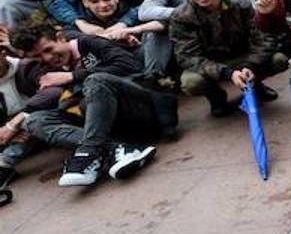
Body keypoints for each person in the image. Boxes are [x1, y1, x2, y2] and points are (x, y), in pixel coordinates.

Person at [11, 22, 176, 187]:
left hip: (141, 110)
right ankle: (117, 148)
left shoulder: (89, 43)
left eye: (48, 50)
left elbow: (131, 65)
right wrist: (14, 124)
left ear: (60, 38)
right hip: (107, 127)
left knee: (96, 81)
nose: (47, 58)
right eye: (38, 56)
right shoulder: (44, 68)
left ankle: (90, 151)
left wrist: (72, 76)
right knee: (33, 120)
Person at [171, 0, 286, 116]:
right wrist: (226, 73)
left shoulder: (241, 5)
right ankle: (216, 97)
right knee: (191, 83)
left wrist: (249, 65)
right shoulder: (181, 16)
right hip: (211, 63)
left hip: (243, 56)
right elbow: (187, 56)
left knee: (279, 60)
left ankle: (255, 85)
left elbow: (263, 39)